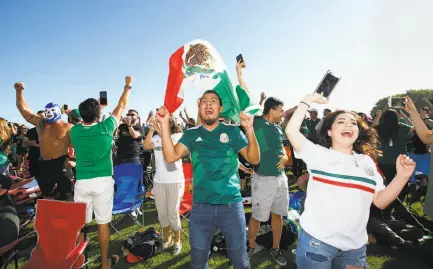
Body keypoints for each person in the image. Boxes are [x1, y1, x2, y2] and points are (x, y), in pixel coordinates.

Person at [286, 93, 415, 269]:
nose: (348, 125)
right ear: (329, 131)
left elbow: (380, 201)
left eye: (353, 123)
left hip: (354, 249)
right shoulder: (317, 154)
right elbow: (291, 130)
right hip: (317, 244)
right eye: (341, 122)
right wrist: (308, 99)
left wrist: (402, 177)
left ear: (358, 131)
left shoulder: (366, 162)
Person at [156, 90, 260, 269]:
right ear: (199, 107)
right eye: (204, 101)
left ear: (220, 108)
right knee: (198, 261)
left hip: (231, 206)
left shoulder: (232, 131)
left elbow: (254, 159)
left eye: (213, 101)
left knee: (239, 259)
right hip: (201, 208)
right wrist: (164, 125)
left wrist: (249, 130)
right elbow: (171, 156)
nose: (209, 104)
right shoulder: (191, 134)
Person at [70, 76, 132, 269]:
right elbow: (122, 105)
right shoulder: (107, 128)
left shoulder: (75, 131)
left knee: (81, 224)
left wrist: (96, 112)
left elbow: (80, 120)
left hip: (82, 182)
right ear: (98, 114)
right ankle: (105, 263)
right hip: (103, 182)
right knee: (102, 224)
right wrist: (127, 86)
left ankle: (79, 261)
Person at [247, 97, 289, 266]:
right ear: (271, 110)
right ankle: (250, 247)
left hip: (281, 178)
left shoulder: (278, 129)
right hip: (263, 180)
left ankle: (275, 248)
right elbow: (246, 104)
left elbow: (281, 149)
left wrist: (285, 157)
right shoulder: (256, 122)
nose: (283, 113)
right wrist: (240, 75)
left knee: (277, 215)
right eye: (281, 110)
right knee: (257, 217)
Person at [15, 82, 73, 200]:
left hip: (62, 162)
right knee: (46, 192)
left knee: (66, 192)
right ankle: (49, 214)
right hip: (44, 163)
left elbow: (80, 146)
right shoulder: (41, 123)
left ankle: (67, 215)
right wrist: (19, 92)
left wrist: (75, 160)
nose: (50, 122)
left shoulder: (68, 127)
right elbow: (24, 110)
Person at [143, 115, 184, 255]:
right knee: (162, 213)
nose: (159, 123)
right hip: (159, 181)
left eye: (162, 121)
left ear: (170, 122)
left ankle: (177, 241)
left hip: (175, 180)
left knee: (173, 212)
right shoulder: (156, 137)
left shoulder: (178, 136)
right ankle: (167, 239)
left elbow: (172, 149)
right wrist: (151, 130)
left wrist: (160, 130)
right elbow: (146, 146)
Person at [22, 110, 45, 179]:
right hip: (34, 159)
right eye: (37, 117)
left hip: (47, 160)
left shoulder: (51, 130)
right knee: (33, 179)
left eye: (42, 117)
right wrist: (31, 143)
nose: (39, 119)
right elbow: (23, 144)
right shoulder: (31, 131)